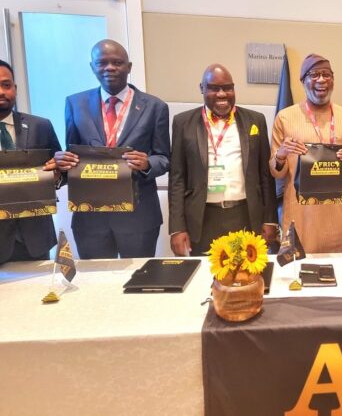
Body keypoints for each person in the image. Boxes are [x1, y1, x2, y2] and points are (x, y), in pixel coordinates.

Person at [55, 39, 170, 259]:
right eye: (102, 63)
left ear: (129, 67)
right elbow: (72, 154)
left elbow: (164, 158)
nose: (110, 68)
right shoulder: (75, 104)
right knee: (95, 277)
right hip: (90, 217)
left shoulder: (155, 107)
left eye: (117, 62)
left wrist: (147, 163)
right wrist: (63, 163)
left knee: (138, 277)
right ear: (92, 67)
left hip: (138, 216)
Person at [169, 64, 277, 256]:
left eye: (227, 88)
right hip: (203, 219)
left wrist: (270, 219)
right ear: (202, 88)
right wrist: (177, 228)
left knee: (247, 271)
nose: (222, 94)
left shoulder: (255, 120)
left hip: (245, 215)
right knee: (206, 272)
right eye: (214, 88)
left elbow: (265, 175)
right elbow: (177, 178)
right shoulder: (183, 122)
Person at [270, 54, 342, 253]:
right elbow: (276, 172)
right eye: (314, 75)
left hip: (336, 214)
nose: (321, 80)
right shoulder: (285, 117)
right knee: (296, 267)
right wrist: (281, 154)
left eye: (326, 74)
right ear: (303, 81)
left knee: (337, 268)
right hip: (300, 214)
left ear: (333, 80)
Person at [0, 59, 62, 264]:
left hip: (34, 238)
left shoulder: (40, 126)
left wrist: (56, 175)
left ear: (15, 88)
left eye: (6, 85)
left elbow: (61, 171)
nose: (1, 91)